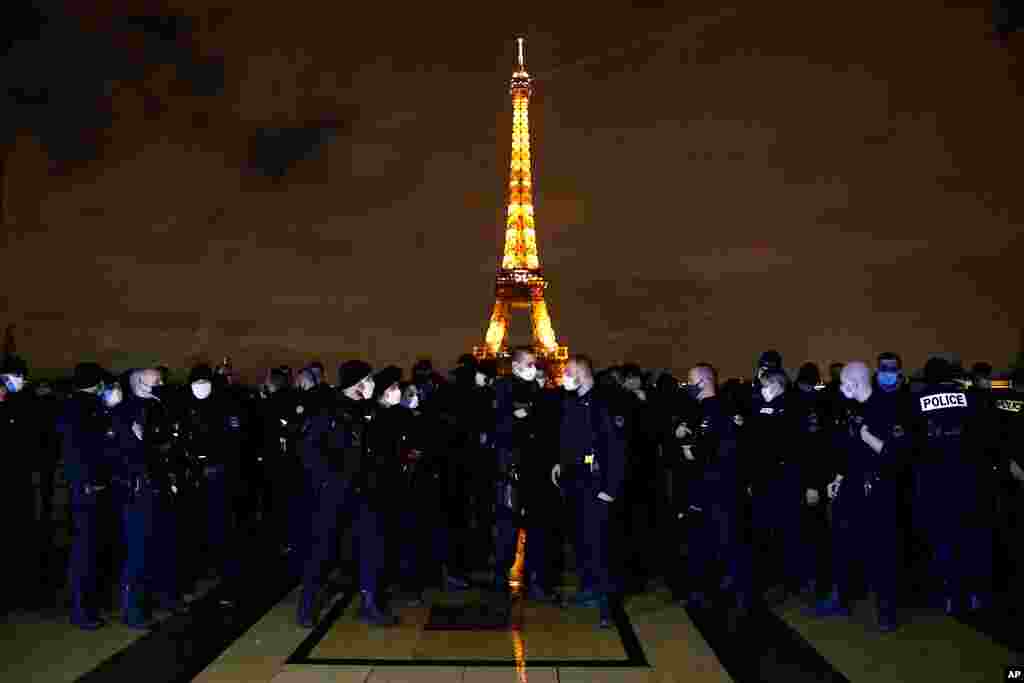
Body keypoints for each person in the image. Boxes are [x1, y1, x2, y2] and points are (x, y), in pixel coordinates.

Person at [552, 355, 626, 628]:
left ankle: (607, 606)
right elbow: (569, 439)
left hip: (596, 485)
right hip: (576, 484)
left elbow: (616, 449)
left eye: (568, 371)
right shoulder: (572, 402)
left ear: (582, 373)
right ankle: (588, 589)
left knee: (600, 546)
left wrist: (610, 488)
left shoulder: (603, 403)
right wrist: (561, 463)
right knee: (581, 541)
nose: (564, 376)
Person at [56, 362, 115, 629]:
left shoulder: (75, 406)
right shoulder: (85, 408)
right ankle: (82, 611)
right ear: (96, 383)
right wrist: (87, 482)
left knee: (86, 550)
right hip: (88, 488)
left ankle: (84, 607)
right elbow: (84, 451)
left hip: (84, 487)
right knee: (85, 551)